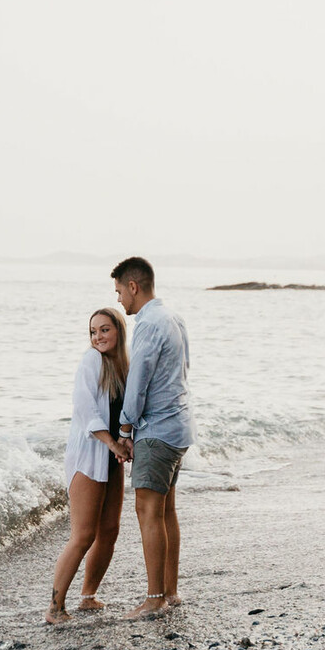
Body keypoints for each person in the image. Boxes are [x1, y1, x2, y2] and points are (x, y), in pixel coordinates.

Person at [109, 256, 193, 620]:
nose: (118, 302)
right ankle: (170, 591)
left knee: (147, 512)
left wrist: (125, 430)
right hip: (179, 427)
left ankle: (155, 597)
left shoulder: (147, 324)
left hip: (156, 432)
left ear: (133, 286)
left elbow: (139, 381)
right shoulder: (173, 316)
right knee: (165, 512)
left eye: (118, 292)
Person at [46, 308, 129, 624]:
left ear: (119, 331)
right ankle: (54, 608)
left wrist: (126, 441)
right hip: (89, 457)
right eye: (93, 331)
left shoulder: (122, 367)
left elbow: (127, 413)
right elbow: (85, 410)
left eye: (105, 330)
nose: (98, 337)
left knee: (109, 530)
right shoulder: (91, 361)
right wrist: (113, 444)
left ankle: (88, 595)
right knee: (83, 535)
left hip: (112, 457)